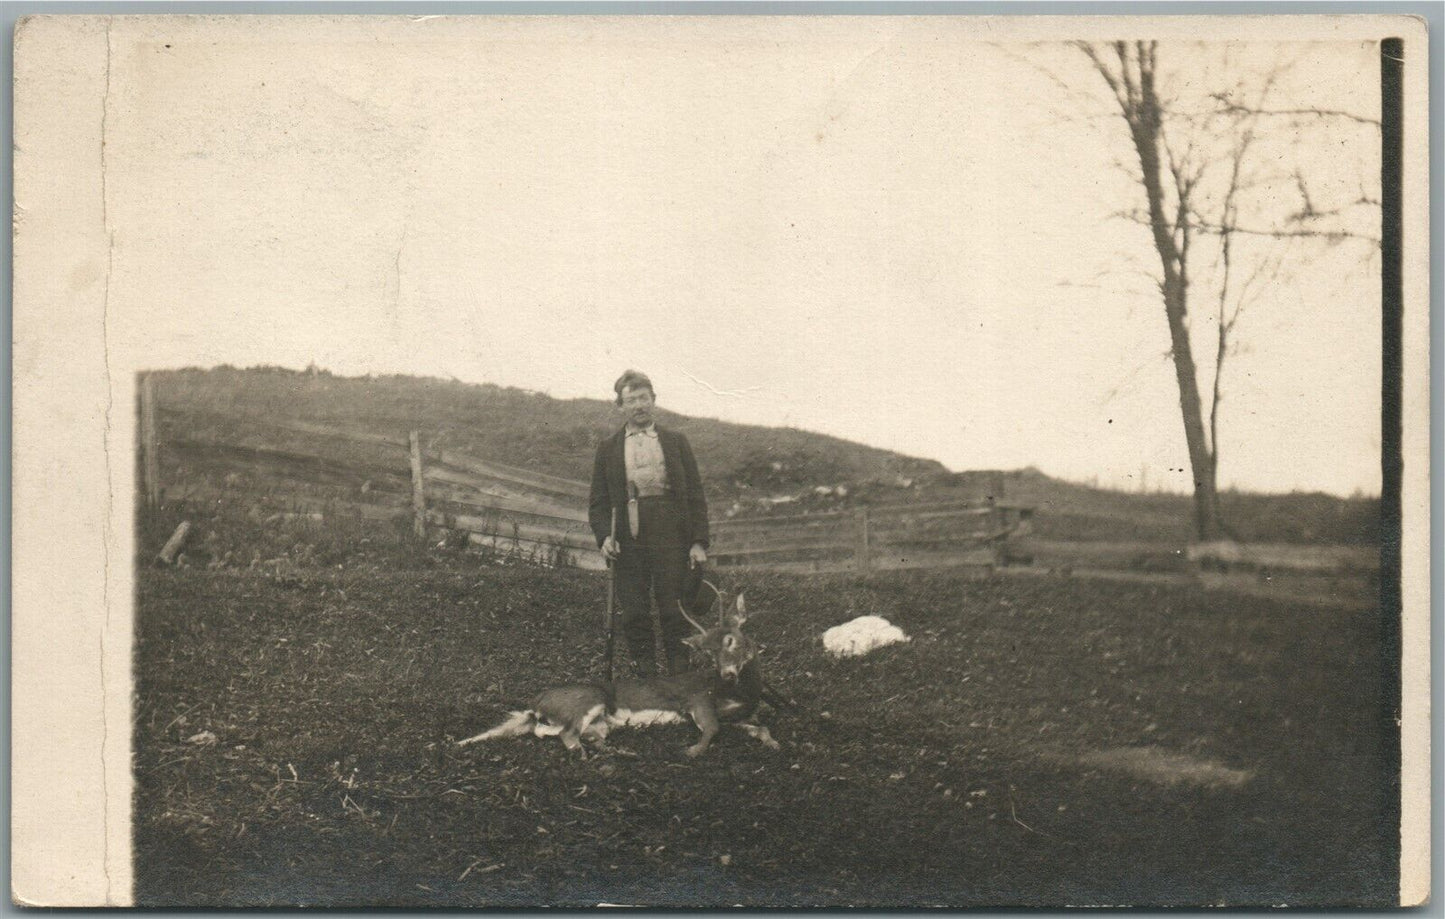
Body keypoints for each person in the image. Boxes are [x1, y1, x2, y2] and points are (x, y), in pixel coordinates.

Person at [589, 370, 710, 676]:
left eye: (644, 398)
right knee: (634, 609)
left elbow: (695, 494)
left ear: (654, 400)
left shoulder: (675, 442)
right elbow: (599, 501)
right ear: (621, 406)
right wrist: (605, 537)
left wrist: (697, 541)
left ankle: (679, 673)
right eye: (631, 400)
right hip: (628, 536)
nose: (639, 405)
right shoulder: (609, 448)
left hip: (671, 532)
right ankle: (645, 674)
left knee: (674, 605)